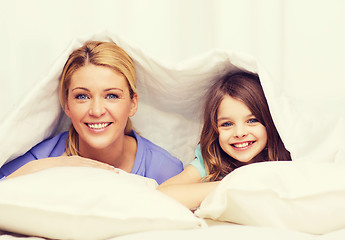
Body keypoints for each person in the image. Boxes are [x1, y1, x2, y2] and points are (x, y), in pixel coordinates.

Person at [0, 41, 183, 184]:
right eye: (82, 96)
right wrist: (55, 165)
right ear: (67, 105)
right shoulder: (44, 156)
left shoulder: (164, 169)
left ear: (133, 103)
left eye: (111, 96)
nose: (96, 111)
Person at [157, 71, 291, 209]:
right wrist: (234, 184)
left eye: (252, 120)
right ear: (215, 130)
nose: (239, 133)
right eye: (227, 124)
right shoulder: (211, 161)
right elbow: (162, 194)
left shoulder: (288, 156)